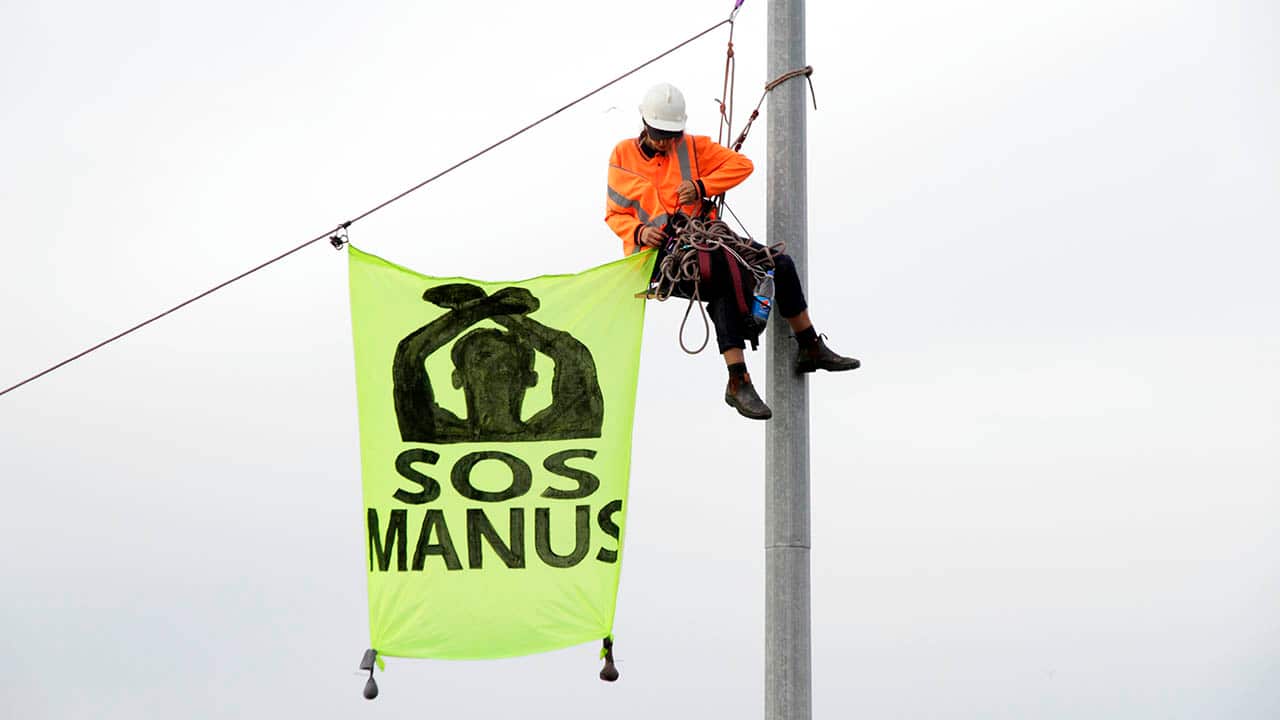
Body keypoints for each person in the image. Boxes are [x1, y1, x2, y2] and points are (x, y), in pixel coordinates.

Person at [605, 82, 859, 420]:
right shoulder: (622, 155)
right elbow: (614, 213)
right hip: (662, 258)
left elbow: (742, 166)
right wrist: (640, 231)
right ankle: (738, 378)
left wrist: (701, 186)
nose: (666, 141)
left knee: (779, 264)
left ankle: (810, 346)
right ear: (644, 124)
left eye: (671, 133)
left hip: (707, 241)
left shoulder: (692, 148)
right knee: (720, 274)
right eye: (659, 134)